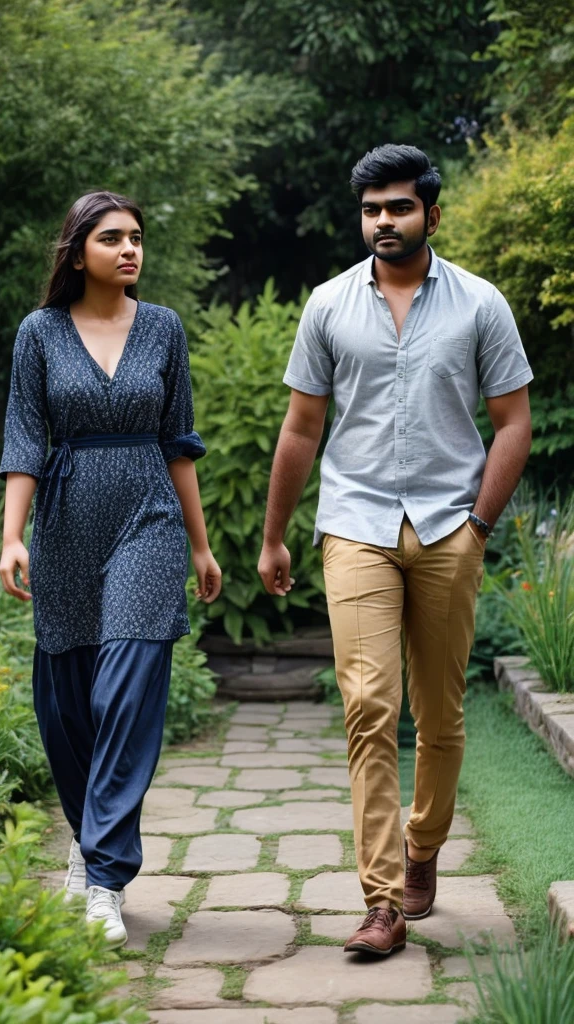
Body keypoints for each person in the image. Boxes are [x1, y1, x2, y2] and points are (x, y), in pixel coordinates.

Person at [258, 144, 532, 957]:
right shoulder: (329, 305)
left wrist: (479, 525)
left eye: (399, 207)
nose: (384, 221)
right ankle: (381, 902)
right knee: (370, 706)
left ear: (431, 215)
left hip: (451, 525)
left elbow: (513, 421)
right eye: (373, 208)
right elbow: (303, 427)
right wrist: (274, 534)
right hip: (356, 525)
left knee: (440, 717)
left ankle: (424, 845)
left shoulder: (481, 305)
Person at [0, 190, 221, 947]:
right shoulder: (40, 333)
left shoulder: (163, 328)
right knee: (67, 704)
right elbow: (25, 440)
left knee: (128, 682)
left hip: (147, 520)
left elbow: (177, 441)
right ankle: (88, 842)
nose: (130, 249)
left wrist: (198, 544)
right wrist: (11, 536)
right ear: (77, 250)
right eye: (112, 237)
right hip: (64, 526)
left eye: (137, 237)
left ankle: (105, 879)